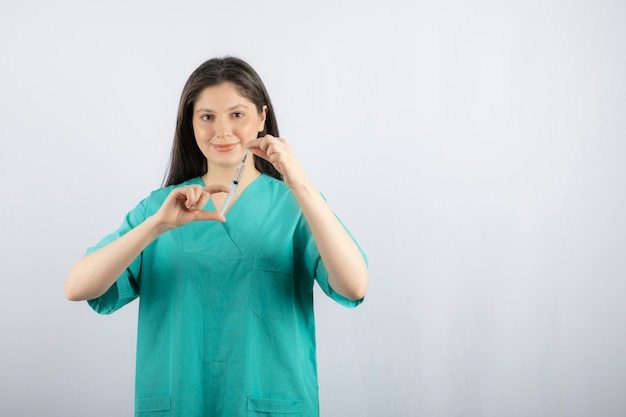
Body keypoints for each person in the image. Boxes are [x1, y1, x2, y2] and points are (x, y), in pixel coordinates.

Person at [65, 56, 368, 417]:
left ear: (261, 118)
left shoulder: (298, 206)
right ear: (191, 125)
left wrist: (298, 180)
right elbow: (77, 287)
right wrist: (156, 227)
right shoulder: (160, 209)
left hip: (273, 405)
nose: (222, 130)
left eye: (237, 114)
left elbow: (354, 286)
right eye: (207, 117)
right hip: (181, 404)